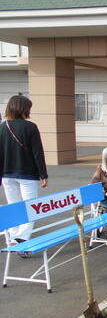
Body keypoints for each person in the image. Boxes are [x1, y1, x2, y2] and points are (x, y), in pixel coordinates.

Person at [0, 95, 48, 255]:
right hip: (28, 175)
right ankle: (21, 240)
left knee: (14, 207)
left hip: (7, 174)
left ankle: (14, 238)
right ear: (24, 109)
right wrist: (43, 174)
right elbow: (37, 153)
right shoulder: (30, 127)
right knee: (30, 208)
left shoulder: (2, 126)